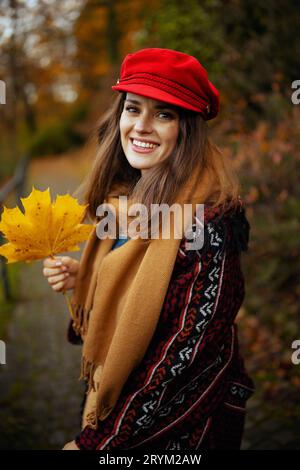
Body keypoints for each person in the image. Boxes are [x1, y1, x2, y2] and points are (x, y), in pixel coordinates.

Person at [42, 48, 255, 450]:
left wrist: (97, 445)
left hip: (179, 427)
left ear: (186, 127)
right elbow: (133, 288)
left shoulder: (207, 223)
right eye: (133, 108)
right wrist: (87, 276)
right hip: (115, 403)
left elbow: (183, 358)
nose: (141, 126)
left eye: (163, 114)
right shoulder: (125, 200)